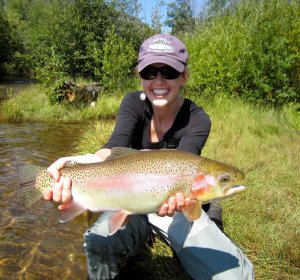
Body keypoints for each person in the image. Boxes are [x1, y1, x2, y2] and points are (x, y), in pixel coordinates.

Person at [44, 34, 254, 280]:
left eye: (169, 72)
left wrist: (192, 203)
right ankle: (137, 241)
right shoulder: (133, 103)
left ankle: (207, 212)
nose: (158, 80)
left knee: (235, 276)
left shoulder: (197, 119)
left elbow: (185, 166)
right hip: (129, 202)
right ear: (140, 76)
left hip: (175, 206)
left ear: (184, 76)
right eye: (149, 73)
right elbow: (114, 146)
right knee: (98, 242)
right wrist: (89, 158)